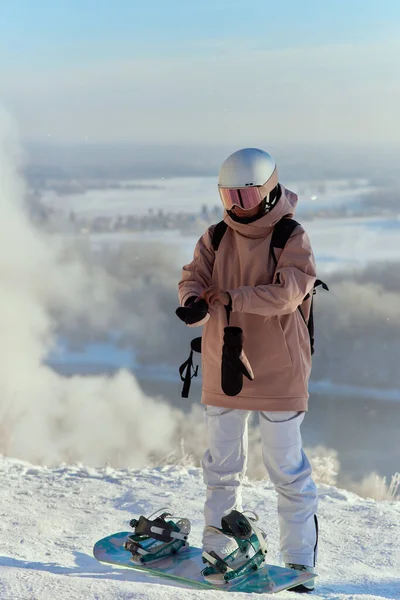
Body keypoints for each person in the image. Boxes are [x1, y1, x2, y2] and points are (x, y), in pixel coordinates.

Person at [177, 148, 318, 592]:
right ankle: (219, 553)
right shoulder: (216, 235)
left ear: (269, 190)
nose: (238, 206)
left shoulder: (290, 236)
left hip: (278, 369)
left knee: (286, 469)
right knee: (221, 467)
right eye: (229, 195)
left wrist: (234, 297)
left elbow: (288, 293)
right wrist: (193, 301)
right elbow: (193, 276)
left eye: (246, 194)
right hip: (225, 366)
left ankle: (297, 567)